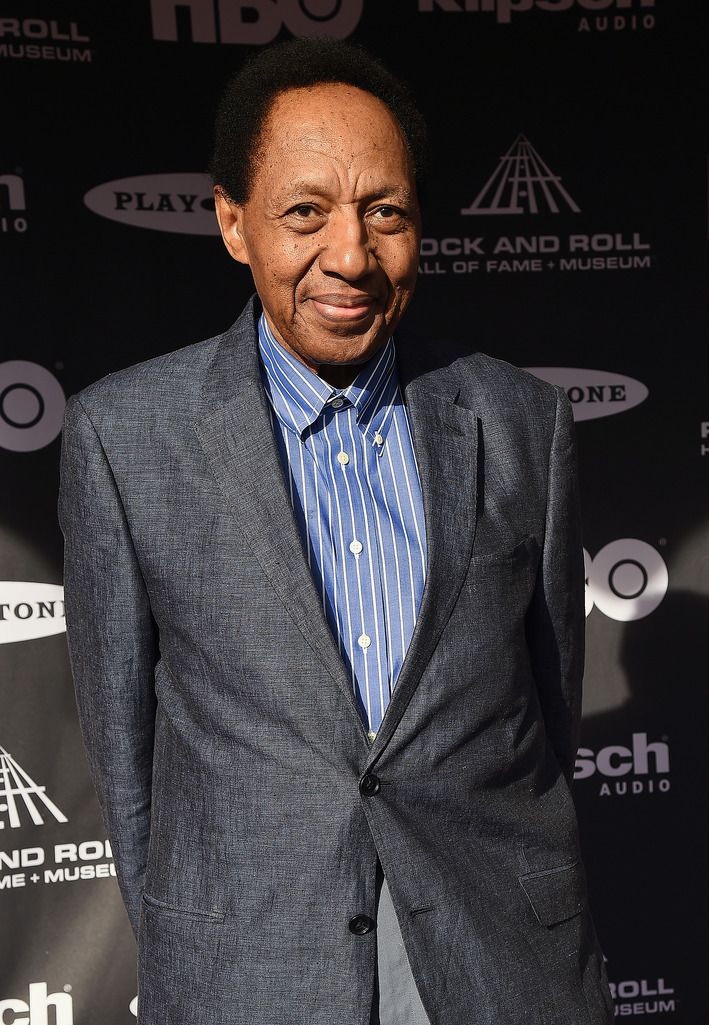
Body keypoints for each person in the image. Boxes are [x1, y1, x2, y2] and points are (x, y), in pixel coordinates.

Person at [58, 38, 613, 1025]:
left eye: (384, 213)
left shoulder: (520, 420)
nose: (350, 256)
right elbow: (126, 759)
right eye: (304, 212)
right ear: (233, 221)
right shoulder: (124, 436)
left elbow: (548, 707)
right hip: (252, 976)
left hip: (496, 968)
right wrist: (210, 951)